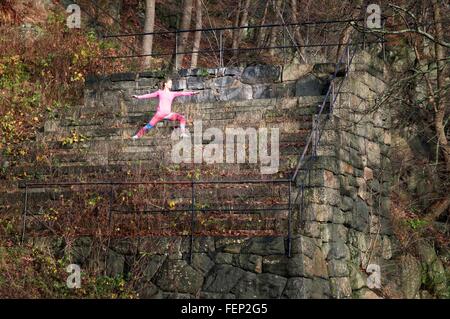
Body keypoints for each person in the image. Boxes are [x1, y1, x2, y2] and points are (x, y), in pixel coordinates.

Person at [131, 78, 199, 139]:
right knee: (149, 125)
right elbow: (149, 95)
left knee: (182, 118)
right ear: (165, 84)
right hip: (160, 114)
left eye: (171, 83)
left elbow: (182, 93)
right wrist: (138, 97)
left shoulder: (173, 93)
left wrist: (192, 93)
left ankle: (183, 133)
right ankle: (137, 135)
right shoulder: (160, 92)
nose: (171, 85)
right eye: (170, 83)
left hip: (168, 114)